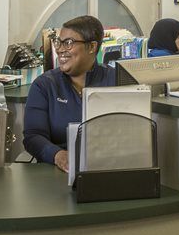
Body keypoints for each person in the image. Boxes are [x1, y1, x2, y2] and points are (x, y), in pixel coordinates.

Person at [23, 15, 116, 171]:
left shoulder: (117, 81)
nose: (59, 49)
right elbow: (33, 136)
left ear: (92, 47)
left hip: (109, 168)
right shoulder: (44, 85)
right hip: (56, 172)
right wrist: (58, 155)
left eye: (69, 43)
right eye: (59, 42)